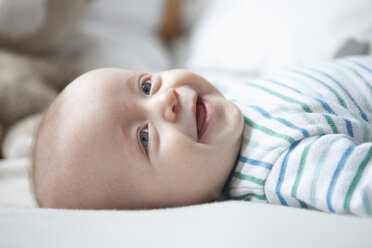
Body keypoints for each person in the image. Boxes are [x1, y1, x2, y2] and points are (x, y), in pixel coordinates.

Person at [32, 56, 372, 217]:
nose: (165, 99)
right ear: (164, 209)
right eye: (145, 138)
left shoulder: (230, 102)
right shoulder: (281, 168)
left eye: (146, 86)